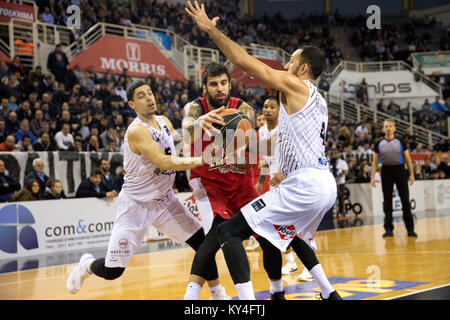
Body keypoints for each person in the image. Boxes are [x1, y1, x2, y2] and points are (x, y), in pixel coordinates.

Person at [186, 1, 341, 300]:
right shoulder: (318, 101)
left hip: (306, 186)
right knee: (282, 234)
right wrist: (281, 169)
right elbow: (294, 138)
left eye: (292, 61)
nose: (286, 65)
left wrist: (212, 31)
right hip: (320, 183)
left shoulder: (297, 85)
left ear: (303, 68)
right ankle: (324, 293)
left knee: (229, 232)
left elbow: (245, 63)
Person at [67, 81, 227, 300]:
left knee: (202, 243)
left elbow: (180, 145)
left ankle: (217, 294)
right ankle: (86, 266)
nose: (149, 98)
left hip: (164, 201)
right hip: (136, 206)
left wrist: (197, 125)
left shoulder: (164, 121)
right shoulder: (136, 131)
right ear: (132, 103)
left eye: (150, 93)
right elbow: (164, 161)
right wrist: (204, 159)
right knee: (113, 271)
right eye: (142, 96)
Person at [181, 62, 285, 300]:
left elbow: (249, 138)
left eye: (223, 83)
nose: (219, 88)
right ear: (205, 87)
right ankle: (191, 297)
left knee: (268, 237)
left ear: (230, 84)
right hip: (209, 185)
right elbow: (186, 130)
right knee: (214, 236)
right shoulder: (195, 108)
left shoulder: (244, 108)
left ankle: (277, 292)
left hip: (241, 184)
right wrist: (198, 124)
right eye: (213, 84)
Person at [370, 118, 417, 238]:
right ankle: (388, 229)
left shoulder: (400, 141)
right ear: (383, 128)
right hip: (386, 171)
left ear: (394, 128)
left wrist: (411, 174)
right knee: (387, 201)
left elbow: (407, 159)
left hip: (400, 170)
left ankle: (410, 229)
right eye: (386, 126)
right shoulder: (379, 143)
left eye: (390, 126)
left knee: (405, 201)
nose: (388, 128)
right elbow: (375, 162)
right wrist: (372, 177)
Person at [329, 149, 349, 219]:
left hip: (341, 182)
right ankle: (332, 213)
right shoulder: (330, 162)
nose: (335, 154)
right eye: (334, 153)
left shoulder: (342, 162)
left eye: (336, 153)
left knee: (341, 197)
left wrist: (340, 173)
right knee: (331, 198)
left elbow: (346, 172)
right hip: (333, 183)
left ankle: (342, 212)